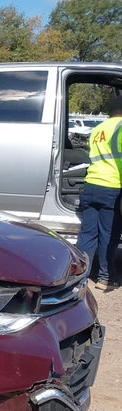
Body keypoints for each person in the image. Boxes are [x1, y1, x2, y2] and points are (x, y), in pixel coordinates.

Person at [75, 95, 122, 291]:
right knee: (108, 235)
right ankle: (105, 277)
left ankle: (79, 277)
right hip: (112, 186)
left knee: (87, 234)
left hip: (91, 184)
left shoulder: (98, 129)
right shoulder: (120, 127)